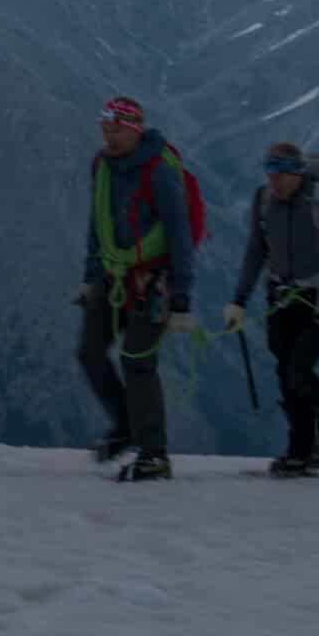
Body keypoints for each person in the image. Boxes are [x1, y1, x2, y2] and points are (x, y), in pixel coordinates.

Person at [222, 143, 319, 476]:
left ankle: (316, 439)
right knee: (286, 369)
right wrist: (239, 300)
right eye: (270, 173)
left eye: (281, 174)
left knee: (297, 369)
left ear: (297, 173)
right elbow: (255, 252)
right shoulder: (263, 201)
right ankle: (312, 442)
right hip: (280, 298)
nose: (274, 182)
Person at [75, 95, 198, 481]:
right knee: (91, 352)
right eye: (104, 129)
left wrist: (181, 296)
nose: (107, 136)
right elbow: (98, 223)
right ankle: (128, 426)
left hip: (152, 284)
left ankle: (153, 453)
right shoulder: (103, 167)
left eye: (114, 129)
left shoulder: (159, 170)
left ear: (133, 128)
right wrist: (91, 276)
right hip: (112, 277)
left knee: (137, 361)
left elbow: (179, 231)